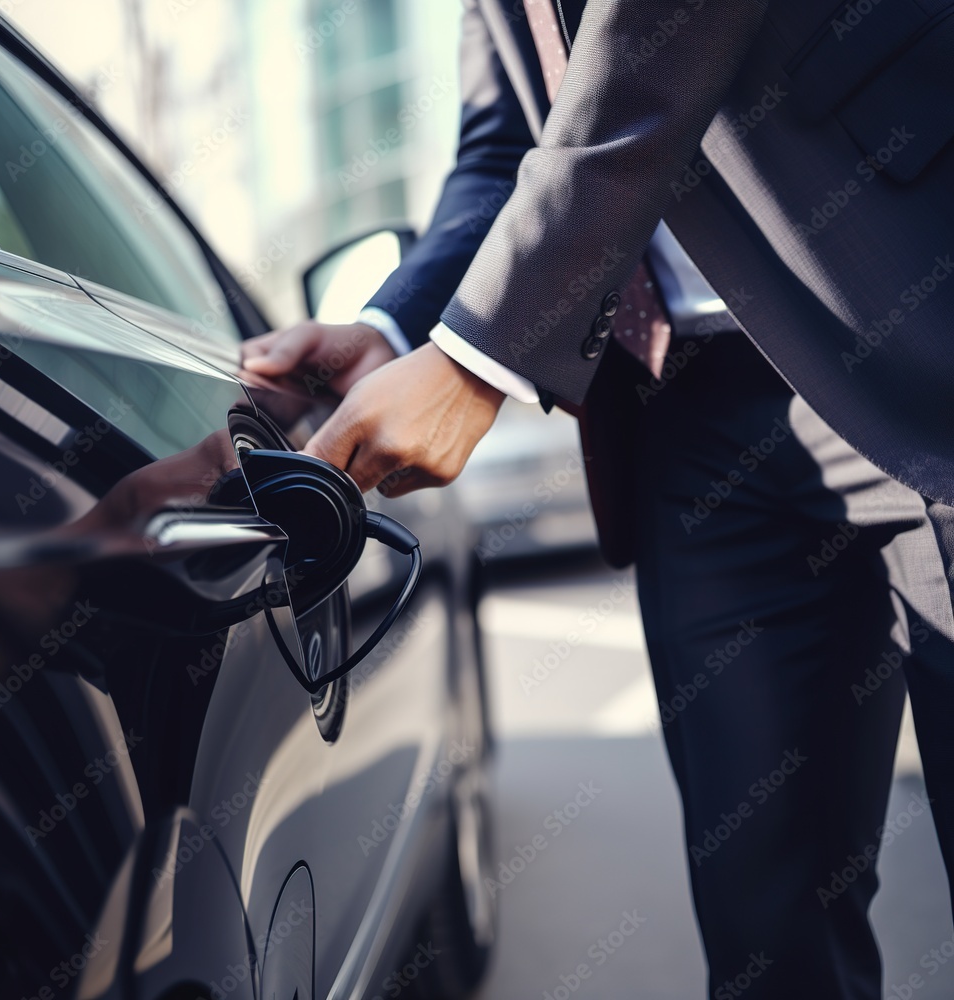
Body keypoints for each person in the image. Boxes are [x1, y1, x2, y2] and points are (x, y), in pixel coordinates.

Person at [242, 0, 954, 995]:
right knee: (765, 934)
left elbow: (656, 40)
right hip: (693, 427)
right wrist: (402, 328)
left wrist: (475, 356)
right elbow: (510, 149)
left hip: (913, 320)